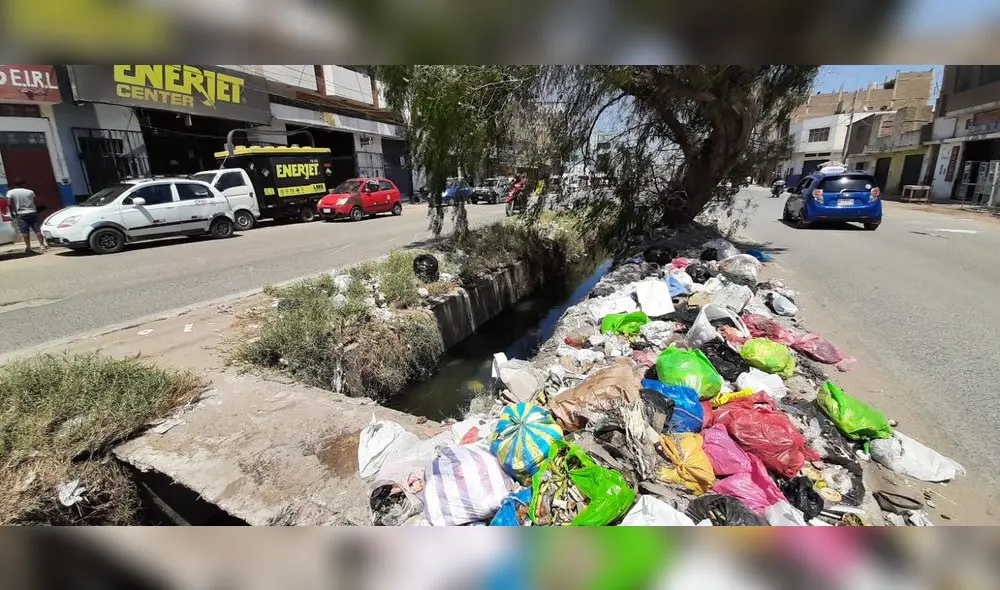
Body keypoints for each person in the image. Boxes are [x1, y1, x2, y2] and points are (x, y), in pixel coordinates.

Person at [7, 178, 47, 252]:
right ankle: (42, 245)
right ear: (23, 184)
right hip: (32, 212)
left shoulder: (11, 192)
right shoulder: (30, 192)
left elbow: (9, 203)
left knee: (24, 231)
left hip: (20, 213)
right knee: (37, 229)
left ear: (15, 185)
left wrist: (12, 211)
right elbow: (36, 201)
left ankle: (28, 247)